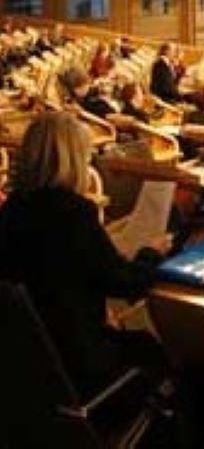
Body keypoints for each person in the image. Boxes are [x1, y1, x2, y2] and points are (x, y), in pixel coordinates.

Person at [0, 112, 170, 400]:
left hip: (31, 366)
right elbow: (126, 283)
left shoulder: (11, 211)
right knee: (149, 348)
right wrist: (151, 253)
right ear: (71, 160)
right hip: (80, 367)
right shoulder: (74, 214)